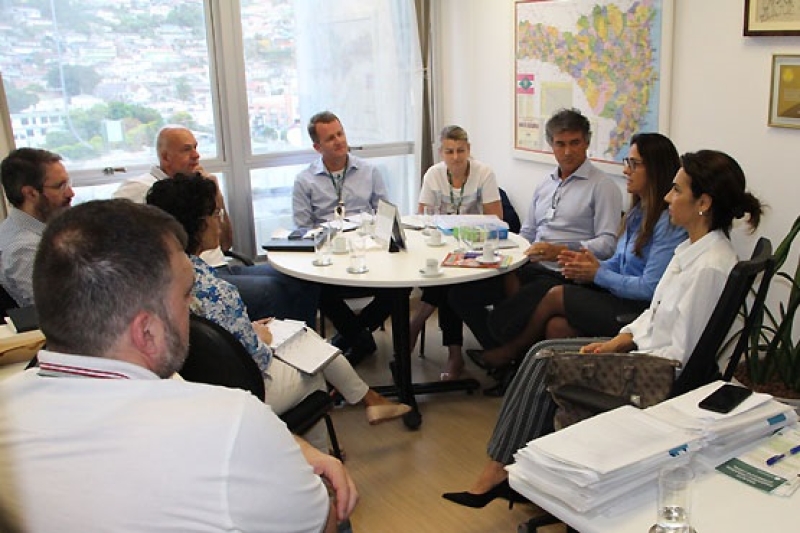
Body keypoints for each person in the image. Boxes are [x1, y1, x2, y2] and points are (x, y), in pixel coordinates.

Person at [0, 199, 358, 532]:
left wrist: (297, 447)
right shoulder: (232, 421)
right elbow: (318, 523)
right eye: (186, 295)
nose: (192, 309)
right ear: (147, 330)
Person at [442, 149, 764, 509]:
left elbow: (679, 356)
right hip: (642, 350)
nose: (669, 198)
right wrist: (618, 341)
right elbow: (654, 315)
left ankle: (499, 471)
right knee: (540, 350)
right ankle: (520, 470)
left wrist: (623, 351)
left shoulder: (710, 266)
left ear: (703, 202)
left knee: (542, 359)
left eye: (676, 190)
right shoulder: (692, 249)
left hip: (658, 372)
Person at [147, 174, 411, 450]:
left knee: (303, 335)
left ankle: (367, 406)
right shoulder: (215, 289)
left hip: (202, 385)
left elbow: (216, 334)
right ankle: (322, 466)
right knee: (314, 368)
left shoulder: (164, 278)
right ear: (200, 226)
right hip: (245, 387)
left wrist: (248, 329)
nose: (219, 221)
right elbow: (254, 357)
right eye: (216, 214)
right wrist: (261, 337)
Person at [448, 108, 622, 388]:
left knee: (511, 310)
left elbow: (607, 244)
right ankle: (512, 362)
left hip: (567, 272)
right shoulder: (546, 183)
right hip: (533, 265)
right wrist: (506, 253)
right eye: (560, 144)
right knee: (460, 293)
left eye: (575, 143)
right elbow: (528, 231)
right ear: (551, 145)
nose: (567, 152)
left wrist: (560, 249)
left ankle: (506, 357)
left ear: (587, 143)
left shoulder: (603, 187)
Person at [480, 133, 687, 365]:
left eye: (634, 164)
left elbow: (651, 288)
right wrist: (587, 265)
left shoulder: (668, 223)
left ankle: (511, 351)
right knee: (556, 325)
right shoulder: (638, 212)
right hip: (616, 295)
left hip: (639, 311)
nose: (626, 171)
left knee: (556, 293)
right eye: (627, 163)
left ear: (656, 169)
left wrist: (598, 274)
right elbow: (618, 262)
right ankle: (545, 383)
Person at [114, 125, 319, 326]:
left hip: (220, 267)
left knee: (301, 280)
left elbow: (226, 244)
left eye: (196, 147)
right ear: (165, 157)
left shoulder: (197, 186)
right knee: (274, 288)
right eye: (187, 149)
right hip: (193, 278)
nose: (196, 155)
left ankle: (310, 344)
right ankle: (278, 345)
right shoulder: (138, 189)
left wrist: (215, 196)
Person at [292, 111, 397, 364]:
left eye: (340, 134)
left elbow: (385, 215)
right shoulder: (304, 180)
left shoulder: (370, 171)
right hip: (330, 259)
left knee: (398, 292)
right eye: (330, 138)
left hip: (368, 254)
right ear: (317, 147)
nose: (339, 141)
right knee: (316, 291)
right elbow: (302, 229)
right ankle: (359, 338)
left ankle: (347, 339)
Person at [409, 125, 503, 380]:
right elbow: (422, 218)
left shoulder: (484, 173)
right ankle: (453, 354)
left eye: (461, 151)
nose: (456, 157)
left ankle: (422, 322)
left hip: (474, 248)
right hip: (442, 246)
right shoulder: (434, 175)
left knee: (451, 284)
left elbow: (496, 218)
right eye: (449, 151)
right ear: (441, 153)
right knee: (448, 282)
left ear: (469, 150)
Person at [0, 148, 74, 306]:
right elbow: (58, 311)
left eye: (68, 183)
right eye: (60, 186)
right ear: (30, 194)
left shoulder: (14, 228)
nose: (70, 193)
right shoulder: (25, 249)